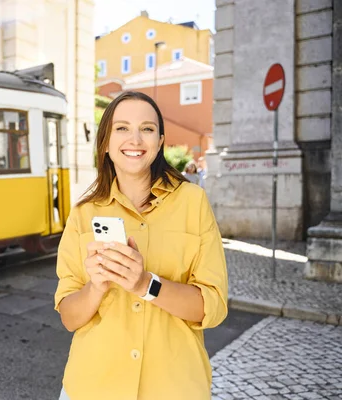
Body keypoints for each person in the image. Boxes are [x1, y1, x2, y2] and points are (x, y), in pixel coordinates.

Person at [54, 91, 228, 400]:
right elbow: (69, 317)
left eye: (146, 128)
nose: (135, 139)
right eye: (122, 128)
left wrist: (145, 284)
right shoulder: (83, 213)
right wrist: (96, 287)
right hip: (92, 387)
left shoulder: (193, 202)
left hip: (174, 388)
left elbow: (211, 307)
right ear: (105, 143)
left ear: (160, 141)